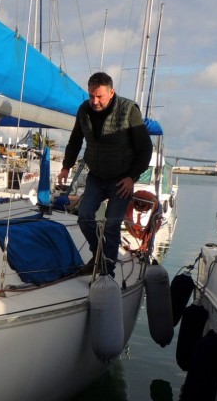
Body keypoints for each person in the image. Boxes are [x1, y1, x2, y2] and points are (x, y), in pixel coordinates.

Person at [56, 72, 153, 275]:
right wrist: (66, 166)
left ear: (111, 93)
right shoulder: (84, 110)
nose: (94, 101)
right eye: (91, 95)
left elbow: (145, 148)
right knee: (84, 217)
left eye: (99, 96)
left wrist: (132, 177)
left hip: (121, 179)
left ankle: (107, 270)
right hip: (96, 176)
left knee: (112, 223)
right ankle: (98, 255)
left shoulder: (128, 110)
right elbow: (75, 140)